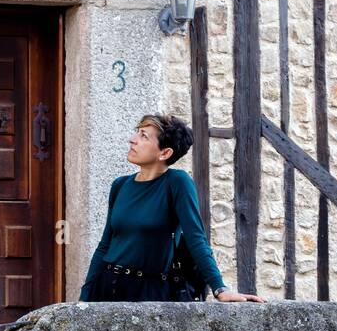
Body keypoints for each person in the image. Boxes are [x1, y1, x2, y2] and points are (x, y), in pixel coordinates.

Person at [79, 113, 265, 303]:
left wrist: (219, 288)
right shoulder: (120, 185)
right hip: (108, 286)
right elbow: (104, 245)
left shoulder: (177, 183)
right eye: (137, 132)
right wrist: (84, 298)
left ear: (165, 153)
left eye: (143, 136)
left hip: (150, 291)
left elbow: (196, 238)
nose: (132, 140)